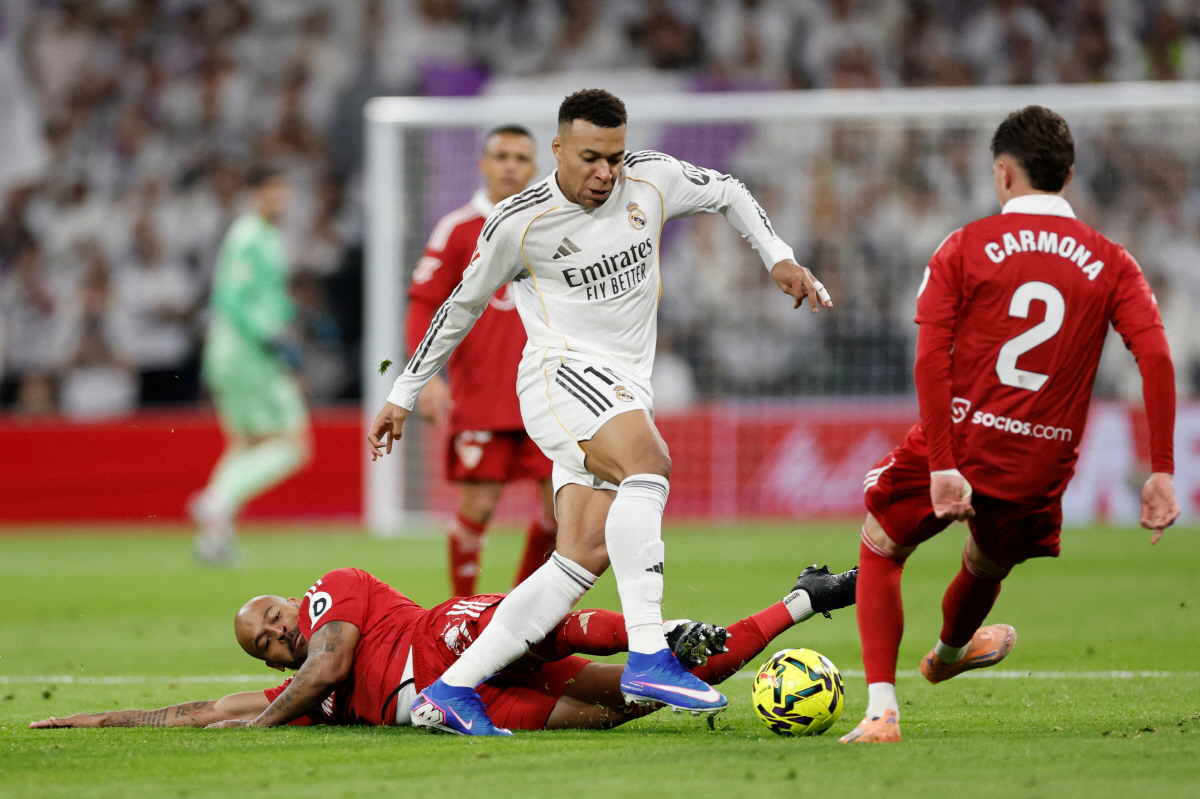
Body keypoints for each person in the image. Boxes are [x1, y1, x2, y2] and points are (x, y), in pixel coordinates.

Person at [368, 89, 833, 734]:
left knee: (576, 560)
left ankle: (452, 687)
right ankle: (648, 652)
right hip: (558, 375)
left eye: (613, 157)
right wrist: (402, 393)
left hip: (623, 383)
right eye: (590, 158)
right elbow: (458, 307)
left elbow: (728, 191)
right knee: (650, 465)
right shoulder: (518, 222)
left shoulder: (651, 179)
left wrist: (776, 254)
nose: (605, 174)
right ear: (557, 150)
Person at [841, 106, 1179, 745]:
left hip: (963, 440)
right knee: (985, 565)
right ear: (1068, 176)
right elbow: (1157, 356)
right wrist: (1160, 467)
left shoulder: (964, 246)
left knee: (881, 545)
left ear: (1003, 174)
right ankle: (945, 657)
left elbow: (930, 355)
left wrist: (942, 462)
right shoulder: (1113, 262)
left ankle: (883, 711)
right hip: (1040, 462)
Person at [29, 563, 857, 732]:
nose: (280, 634)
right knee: (634, 701)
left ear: (292, 597)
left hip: (446, 638)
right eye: (266, 645)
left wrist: (268, 717)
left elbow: (327, 663)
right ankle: (803, 597)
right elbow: (203, 710)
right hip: (459, 703)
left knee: (547, 622)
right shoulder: (308, 706)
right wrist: (98, 721)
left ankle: (660, 629)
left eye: (274, 616)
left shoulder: (335, 594)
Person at [408, 125, 558, 597]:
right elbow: (422, 306)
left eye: (520, 157)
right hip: (483, 396)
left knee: (560, 510)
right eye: (501, 156)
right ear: (484, 164)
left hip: (549, 393)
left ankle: (521, 615)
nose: (510, 165)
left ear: (535, 169)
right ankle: (463, 613)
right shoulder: (458, 230)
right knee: (479, 504)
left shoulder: (553, 224)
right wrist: (426, 378)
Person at [191, 166, 311, 564]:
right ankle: (217, 499)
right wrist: (272, 335)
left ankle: (214, 537)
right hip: (247, 354)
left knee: (245, 444)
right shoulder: (248, 236)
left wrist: (288, 321)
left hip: (237, 353)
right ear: (254, 194)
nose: (281, 200)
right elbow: (231, 296)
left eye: (284, 192)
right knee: (292, 444)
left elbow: (264, 295)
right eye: (272, 192)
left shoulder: (265, 236)